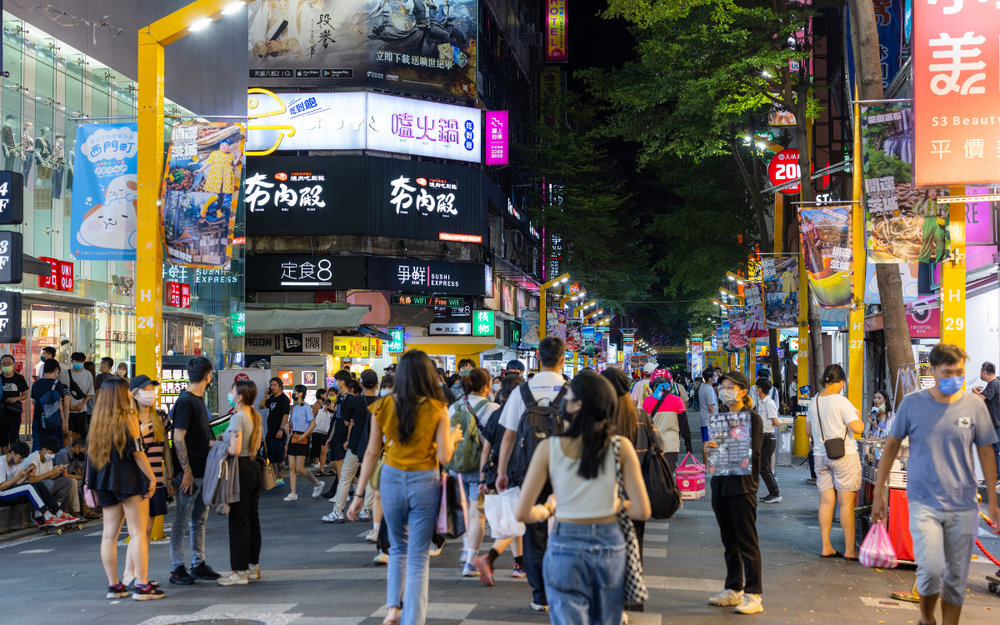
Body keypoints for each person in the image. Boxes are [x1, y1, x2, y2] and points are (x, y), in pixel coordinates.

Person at [873, 343, 1000, 625]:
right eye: (948, 371)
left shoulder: (974, 405)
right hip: (923, 502)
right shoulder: (912, 404)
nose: (955, 377)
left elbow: (986, 452)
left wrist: (992, 499)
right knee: (930, 570)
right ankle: (926, 617)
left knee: (955, 577)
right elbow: (891, 447)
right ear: (933, 370)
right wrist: (880, 493)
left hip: (963, 504)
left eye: (960, 372)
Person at [515, 370, 651, 625]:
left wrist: (548, 508)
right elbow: (642, 510)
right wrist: (611, 503)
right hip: (609, 543)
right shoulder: (621, 447)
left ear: (579, 404)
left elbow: (523, 513)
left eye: (569, 397)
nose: (564, 402)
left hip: (565, 542)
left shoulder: (549, 448)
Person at [346, 350, 463, 625]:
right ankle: (413, 620)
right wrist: (454, 438)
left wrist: (359, 494)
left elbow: (372, 453)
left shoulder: (382, 406)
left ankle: (392, 609)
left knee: (397, 549)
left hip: (391, 480)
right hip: (425, 482)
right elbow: (445, 457)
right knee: (419, 558)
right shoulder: (437, 408)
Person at [496, 336, 569, 613]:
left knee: (534, 530)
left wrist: (502, 472)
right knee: (565, 528)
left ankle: (541, 595)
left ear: (538, 358)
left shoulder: (521, 392)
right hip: (565, 469)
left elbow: (509, 436)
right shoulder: (572, 391)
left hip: (529, 469)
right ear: (562, 359)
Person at [87, 376, 162, 600]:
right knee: (138, 532)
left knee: (109, 536)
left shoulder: (98, 420)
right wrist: (151, 477)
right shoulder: (128, 418)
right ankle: (142, 586)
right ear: (122, 395)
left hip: (103, 480)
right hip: (129, 478)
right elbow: (138, 453)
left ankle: (114, 586)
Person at [603, 366, 663, 616]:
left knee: (606, 553)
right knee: (632, 550)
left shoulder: (600, 419)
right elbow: (658, 446)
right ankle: (623, 607)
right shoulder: (641, 416)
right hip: (636, 495)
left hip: (604, 497)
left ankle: (607, 604)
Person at [706, 371, 765, 615]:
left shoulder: (752, 419)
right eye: (722, 386)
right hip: (720, 486)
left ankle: (754, 594)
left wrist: (725, 447)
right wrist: (709, 450)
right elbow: (713, 458)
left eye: (729, 386)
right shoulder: (720, 419)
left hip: (742, 488)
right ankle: (733, 588)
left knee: (747, 542)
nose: (724, 390)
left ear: (742, 391)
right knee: (729, 542)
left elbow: (753, 454)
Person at [168, 356, 221, 585]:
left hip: (203, 471)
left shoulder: (199, 400)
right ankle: (176, 567)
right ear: (208, 376)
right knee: (181, 520)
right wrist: (185, 471)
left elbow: (191, 436)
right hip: (189, 474)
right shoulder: (186, 401)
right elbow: (177, 437)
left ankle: (198, 563)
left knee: (199, 519)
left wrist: (210, 443)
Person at [806, 364, 864, 559]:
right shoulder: (842, 402)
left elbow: (808, 431)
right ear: (841, 382)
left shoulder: (813, 402)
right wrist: (858, 417)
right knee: (846, 504)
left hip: (820, 456)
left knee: (826, 501)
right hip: (843, 456)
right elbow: (857, 428)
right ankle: (849, 550)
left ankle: (826, 546)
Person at [474, 372, 526, 585]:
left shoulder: (495, 414)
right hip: (513, 473)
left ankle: (519, 564)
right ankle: (490, 557)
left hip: (494, 472)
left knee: (511, 522)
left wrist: (482, 477)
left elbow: (486, 449)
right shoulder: (523, 414)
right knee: (515, 522)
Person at [448, 367, 499, 577]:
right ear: (487, 387)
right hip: (481, 468)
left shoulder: (455, 407)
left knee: (464, 508)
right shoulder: (494, 408)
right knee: (478, 513)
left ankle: (465, 548)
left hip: (458, 466)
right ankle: (470, 561)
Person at [124, 375, 174, 585]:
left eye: (152, 388)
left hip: (157, 479)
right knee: (139, 531)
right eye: (146, 389)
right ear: (134, 393)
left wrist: (169, 474)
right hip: (136, 480)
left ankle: (137, 574)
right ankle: (130, 573)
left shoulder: (161, 417)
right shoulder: (128, 419)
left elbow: (165, 449)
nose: (150, 392)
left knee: (146, 530)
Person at [217, 380, 264, 586]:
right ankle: (253, 566)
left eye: (232, 392)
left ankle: (239, 571)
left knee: (238, 520)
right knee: (252, 518)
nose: (230, 394)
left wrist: (218, 444)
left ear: (240, 397)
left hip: (239, 470)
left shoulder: (238, 418)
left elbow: (235, 449)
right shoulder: (255, 416)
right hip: (253, 467)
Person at [325, 369, 378, 522]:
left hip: (355, 445)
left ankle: (338, 511)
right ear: (376, 384)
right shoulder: (382, 402)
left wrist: (353, 422)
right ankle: (365, 511)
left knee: (345, 478)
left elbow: (346, 421)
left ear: (360, 383)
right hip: (374, 447)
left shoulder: (355, 401)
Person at [0, 440, 76, 526]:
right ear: (13, 453)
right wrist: (18, 477)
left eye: (23, 459)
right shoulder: (1, 463)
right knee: (29, 487)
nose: (21, 461)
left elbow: (17, 484)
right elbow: (1, 487)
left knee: (39, 485)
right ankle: (46, 516)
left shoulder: (15, 462)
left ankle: (58, 511)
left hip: (10, 491)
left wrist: (26, 476)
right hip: (2, 495)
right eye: (20, 458)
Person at [21, 437, 82, 518]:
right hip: (33, 489)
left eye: (54, 453)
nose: (53, 455)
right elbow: (31, 480)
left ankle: (56, 507)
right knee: (48, 483)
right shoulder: (33, 458)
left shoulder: (48, 459)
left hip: (46, 487)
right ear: (44, 450)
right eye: (51, 452)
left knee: (68, 481)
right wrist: (51, 473)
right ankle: (40, 511)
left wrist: (58, 471)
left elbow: (51, 476)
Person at [284, 384, 324, 502]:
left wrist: (304, 435)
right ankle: (293, 492)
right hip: (293, 437)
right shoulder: (295, 408)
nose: (293, 393)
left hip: (302, 438)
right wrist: (288, 426)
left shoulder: (307, 407)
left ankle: (317, 483)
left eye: (295, 391)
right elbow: (292, 422)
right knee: (291, 467)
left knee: (299, 468)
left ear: (301, 393)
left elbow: (313, 424)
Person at [641, 374, 687, 467]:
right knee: (668, 474)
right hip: (671, 444)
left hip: (653, 444)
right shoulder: (677, 400)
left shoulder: (647, 401)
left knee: (656, 474)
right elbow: (684, 424)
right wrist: (688, 445)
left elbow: (643, 426)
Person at [31, 358, 70, 451]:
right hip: (54, 422)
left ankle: (37, 465)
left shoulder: (36, 384)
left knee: (38, 447)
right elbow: (59, 405)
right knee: (55, 448)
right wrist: (64, 422)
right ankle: (54, 466)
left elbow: (34, 401)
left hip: (38, 419)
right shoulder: (57, 384)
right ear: (56, 370)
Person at [754, 378, 781, 504]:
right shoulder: (762, 402)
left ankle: (775, 493)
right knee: (762, 467)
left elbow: (775, 422)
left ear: (760, 389)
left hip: (768, 437)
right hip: (763, 437)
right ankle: (773, 493)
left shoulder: (769, 403)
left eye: (756, 387)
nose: (755, 390)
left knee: (764, 467)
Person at [972, 361, 1000, 477]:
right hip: (993, 423)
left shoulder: (993, 383)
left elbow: (981, 398)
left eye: (980, 371)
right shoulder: (994, 383)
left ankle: (996, 477)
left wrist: (974, 391)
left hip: (995, 423)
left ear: (984, 372)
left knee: (995, 451)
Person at [259, 377, 290, 482]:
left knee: (279, 457)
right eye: (271, 385)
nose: (272, 387)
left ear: (280, 386)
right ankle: (274, 477)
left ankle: (280, 478)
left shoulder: (284, 399)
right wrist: (266, 396)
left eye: (275, 385)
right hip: (270, 432)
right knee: (271, 457)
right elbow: (261, 406)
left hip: (279, 432)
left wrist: (281, 430)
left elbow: (285, 416)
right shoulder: (272, 397)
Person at [62, 352, 95, 442]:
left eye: (81, 362)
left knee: (78, 435)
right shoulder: (64, 374)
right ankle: (67, 454)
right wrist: (68, 405)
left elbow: (90, 393)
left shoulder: (88, 374)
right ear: (72, 361)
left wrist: (82, 404)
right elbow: (61, 391)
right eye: (76, 361)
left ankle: (75, 454)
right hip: (67, 410)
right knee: (66, 434)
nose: (78, 364)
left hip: (81, 410)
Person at [1, 354, 29, 452]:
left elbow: (26, 394)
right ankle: (6, 461)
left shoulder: (19, 378)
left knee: (14, 440)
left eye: (9, 363)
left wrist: (16, 398)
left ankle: (13, 463)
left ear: (13, 364)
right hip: (1, 414)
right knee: (3, 441)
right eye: (3, 363)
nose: (6, 365)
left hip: (14, 413)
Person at [311, 392, 333, 476]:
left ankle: (334, 469)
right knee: (323, 451)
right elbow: (319, 417)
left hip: (334, 431)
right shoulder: (324, 405)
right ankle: (322, 470)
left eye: (332, 395)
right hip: (325, 431)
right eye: (329, 395)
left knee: (333, 452)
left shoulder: (338, 404)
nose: (330, 397)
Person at [698, 368, 718, 443]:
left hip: (704, 419)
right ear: (710, 378)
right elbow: (711, 407)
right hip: (709, 420)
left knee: (706, 443)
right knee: (710, 444)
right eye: (715, 375)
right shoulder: (709, 389)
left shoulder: (702, 386)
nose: (716, 377)